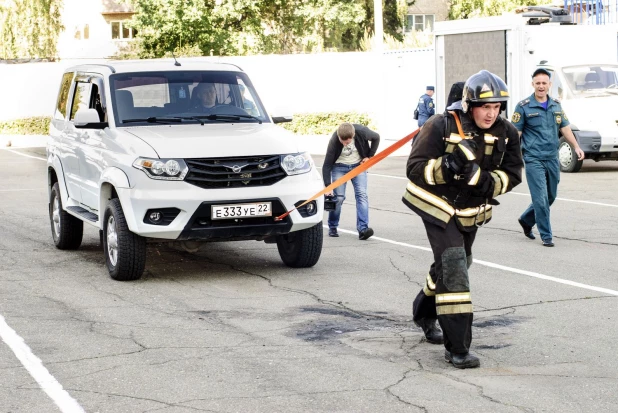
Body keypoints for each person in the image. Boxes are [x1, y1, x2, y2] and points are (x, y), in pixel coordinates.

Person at [402, 70, 523, 369]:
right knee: (455, 266)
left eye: (496, 107)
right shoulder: (439, 125)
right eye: (485, 107)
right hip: (435, 204)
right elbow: (415, 168)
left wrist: (485, 182)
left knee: (455, 262)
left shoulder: (507, 132)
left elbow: (513, 174)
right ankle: (457, 348)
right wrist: (449, 165)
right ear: (470, 105)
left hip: (470, 211)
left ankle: (423, 312)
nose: (491, 113)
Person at [512, 68, 585, 247]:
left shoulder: (555, 105)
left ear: (550, 85)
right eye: (538, 83)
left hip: (552, 158)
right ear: (533, 84)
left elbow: (565, 128)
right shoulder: (523, 106)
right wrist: (511, 156)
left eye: (544, 83)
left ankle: (526, 220)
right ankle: (546, 236)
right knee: (540, 199)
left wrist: (576, 146)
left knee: (551, 196)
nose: (541, 86)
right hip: (533, 158)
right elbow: (516, 133)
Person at [323, 122, 380, 240]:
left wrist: (369, 157)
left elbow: (376, 137)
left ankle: (363, 229)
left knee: (362, 195)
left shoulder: (362, 132)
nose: (344, 144)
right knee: (338, 197)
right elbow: (327, 164)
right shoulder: (334, 140)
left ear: (353, 135)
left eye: (347, 142)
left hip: (358, 166)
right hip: (339, 167)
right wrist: (327, 186)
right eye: (342, 141)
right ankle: (333, 227)